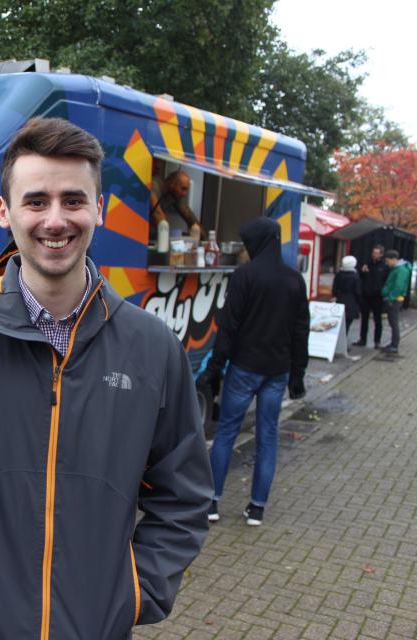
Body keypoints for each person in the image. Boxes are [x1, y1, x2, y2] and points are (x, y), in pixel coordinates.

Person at [0, 117, 213, 640]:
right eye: (36, 201)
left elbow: (183, 494)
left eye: (73, 200)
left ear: (98, 209)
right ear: (5, 212)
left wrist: (137, 588)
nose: (55, 219)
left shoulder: (151, 346)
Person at [198, 217, 310, 527]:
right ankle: (256, 509)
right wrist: (298, 375)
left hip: (244, 369)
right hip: (277, 372)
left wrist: (214, 368)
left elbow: (228, 327)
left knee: (226, 434)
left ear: (257, 241)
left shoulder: (245, 276)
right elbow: (302, 330)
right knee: (267, 437)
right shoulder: (294, 279)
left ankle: (212, 503)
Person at [150, 169, 203, 238]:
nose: (185, 194)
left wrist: (206, 239)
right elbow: (157, 213)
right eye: (183, 189)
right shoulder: (154, 184)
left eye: (187, 190)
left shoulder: (174, 193)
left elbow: (189, 216)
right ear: (172, 184)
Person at [355, 244, 390, 348]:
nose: (374, 255)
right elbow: (361, 277)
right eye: (373, 252)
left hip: (377, 297)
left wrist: (382, 291)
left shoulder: (384, 267)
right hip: (366, 296)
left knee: (377, 319)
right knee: (364, 319)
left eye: (376, 253)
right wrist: (362, 271)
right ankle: (362, 339)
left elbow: (386, 281)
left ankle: (377, 341)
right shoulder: (368, 264)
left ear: (381, 254)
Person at [380, 249, 412, 354]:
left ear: (393, 259)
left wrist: (390, 297)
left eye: (387, 261)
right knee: (392, 322)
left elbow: (398, 286)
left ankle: (394, 345)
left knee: (393, 322)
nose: (386, 263)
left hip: (394, 300)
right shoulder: (397, 269)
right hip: (393, 299)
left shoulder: (401, 270)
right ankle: (393, 344)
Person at [333, 255, 361, 340]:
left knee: (338, 324)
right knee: (347, 324)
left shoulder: (339, 275)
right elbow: (358, 291)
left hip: (340, 300)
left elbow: (334, 289)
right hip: (351, 302)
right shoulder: (355, 276)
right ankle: (343, 342)